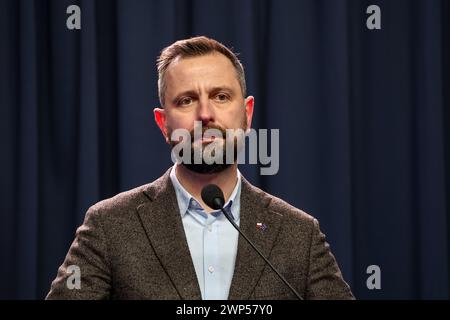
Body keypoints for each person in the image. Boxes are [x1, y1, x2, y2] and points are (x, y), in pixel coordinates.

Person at [46, 36, 354, 300]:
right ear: (163, 123)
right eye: (186, 101)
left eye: (221, 96)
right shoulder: (108, 226)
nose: (205, 114)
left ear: (246, 114)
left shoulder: (299, 234)